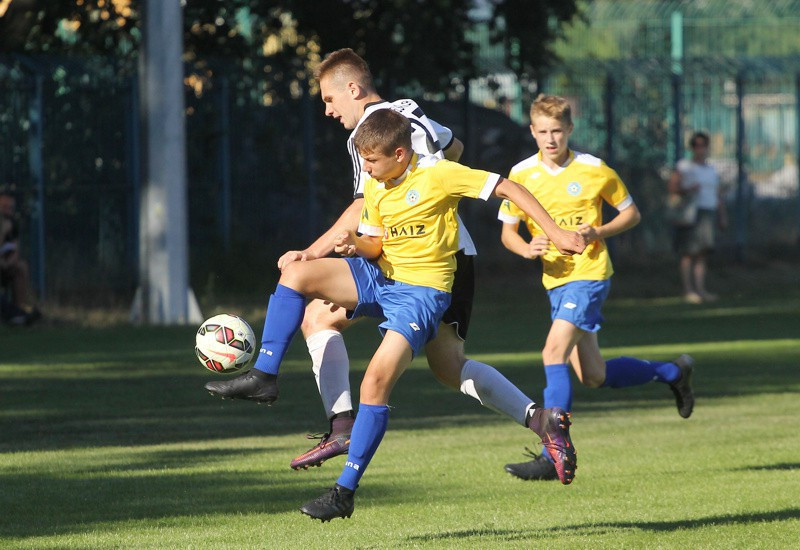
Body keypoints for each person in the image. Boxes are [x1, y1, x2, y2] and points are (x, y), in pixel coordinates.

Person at [204, 49, 579, 475]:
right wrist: (427, 193)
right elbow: (453, 145)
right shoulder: (406, 110)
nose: (328, 110)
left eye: (329, 99)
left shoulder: (369, 130)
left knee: (435, 363)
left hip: (430, 260)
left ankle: (299, 398)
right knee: (329, 323)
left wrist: (313, 250)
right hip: (423, 252)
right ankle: (540, 421)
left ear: (352, 88)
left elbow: (364, 204)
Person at [497, 95, 694, 482]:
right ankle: (672, 372)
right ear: (533, 132)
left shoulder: (594, 169)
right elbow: (507, 232)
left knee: (552, 350)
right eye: (542, 132)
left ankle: (552, 451)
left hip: (590, 274)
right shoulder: (520, 174)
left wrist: (597, 231)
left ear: (569, 130)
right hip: (555, 279)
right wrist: (526, 247)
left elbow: (631, 214)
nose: (550, 139)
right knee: (594, 375)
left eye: (557, 131)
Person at [667, 131, 728, 303]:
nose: (700, 149)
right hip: (691, 213)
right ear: (692, 147)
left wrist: (722, 215)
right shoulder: (684, 166)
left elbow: (717, 194)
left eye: (703, 145)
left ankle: (701, 290)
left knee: (703, 253)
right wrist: (688, 190)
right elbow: (672, 187)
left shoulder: (711, 169)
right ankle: (688, 290)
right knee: (688, 252)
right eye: (697, 145)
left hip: (708, 212)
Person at [0, 190, 40, 325]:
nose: (8, 211)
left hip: (4, 267)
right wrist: (2, 231)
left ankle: (18, 311)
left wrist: (9, 262)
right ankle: (16, 316)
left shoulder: (13, 224)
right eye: (4, 207)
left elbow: (15, 249)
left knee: (21, 267)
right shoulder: (4, 226)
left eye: (10, 208)